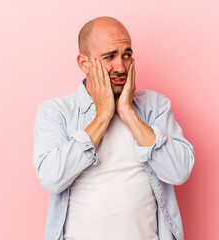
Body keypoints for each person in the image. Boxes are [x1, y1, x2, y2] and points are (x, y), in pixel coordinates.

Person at [33, 16, 195, 240]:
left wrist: (128, 113)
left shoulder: (154, 107)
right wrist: (103, 115)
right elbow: (51, 178)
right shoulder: (56, 112)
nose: (121, 67)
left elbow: (179, 171)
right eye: (110, 57)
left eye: (126, 55)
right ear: (84, 63)